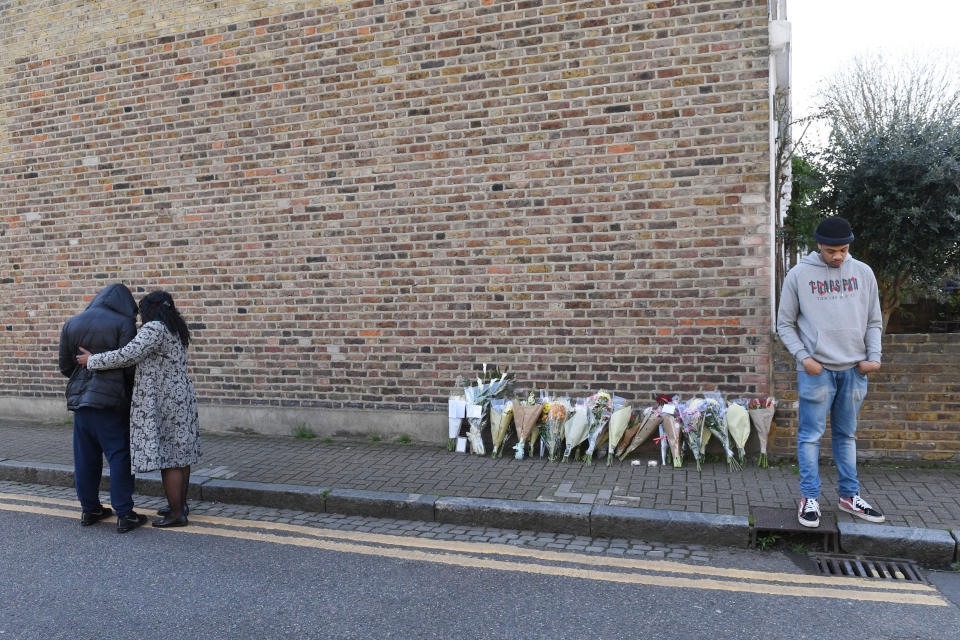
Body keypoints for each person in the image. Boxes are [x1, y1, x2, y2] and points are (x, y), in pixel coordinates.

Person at [777, 216, 885, 528]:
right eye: (830, 251)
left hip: (854, 369)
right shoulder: (799, 275)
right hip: (816, 370)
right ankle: (809, 498)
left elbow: (873, 321)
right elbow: (784, 324)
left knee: (846, 435)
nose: (837, 256)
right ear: (819, 246)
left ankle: (849, 497)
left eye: (843, 250)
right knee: (810, 437)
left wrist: (873, 357)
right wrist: (803, 357)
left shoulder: (863, 272)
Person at [77, 290, 201, 528]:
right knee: (181, 453)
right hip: (180, 396)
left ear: (149, 310)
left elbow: (127, 355)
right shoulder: (174, 327)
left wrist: (91, 360)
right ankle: (180, 504)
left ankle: (176, 514)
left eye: (141, 311)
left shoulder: (154, 328)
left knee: (171, 457)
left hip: (163, 399)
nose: (139, 316)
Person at [59, 283, 148, 533]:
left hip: (81, 402)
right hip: (111, 402)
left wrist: (88, 369)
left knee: (85, 457)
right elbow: (130, 365)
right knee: (119, 455)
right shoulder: (123, 323)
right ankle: (124, 513)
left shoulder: (72, 323)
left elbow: (66, 367)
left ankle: (90, 509)